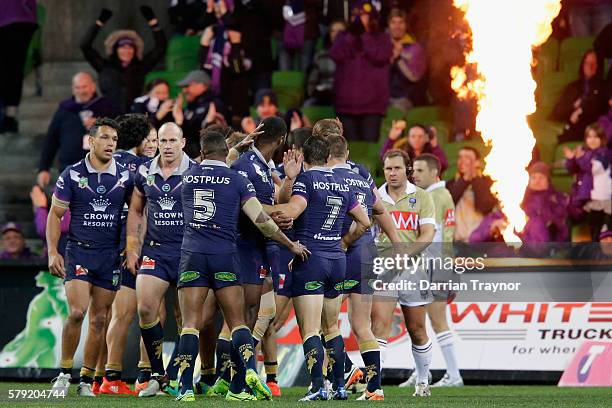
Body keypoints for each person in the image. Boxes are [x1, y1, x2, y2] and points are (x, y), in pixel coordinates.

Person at [174, 131, 309, 401]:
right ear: (225, 152)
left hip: (192, 255)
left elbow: (214, 159)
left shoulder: (187, 175)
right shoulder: (237, 180)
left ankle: (186, 388)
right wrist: (289, 244)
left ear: (201, 152)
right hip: (225, 255)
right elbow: (261, 220)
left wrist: (233, 148)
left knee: (190, 324)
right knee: (238, 323)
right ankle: (246, 375)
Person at [268, 135, 371, 401]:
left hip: (311, 259)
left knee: (311, 329)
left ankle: (317, 387)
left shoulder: (307, 180)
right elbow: (364, 222)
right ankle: (338, 387)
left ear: (304, 156)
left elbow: (292, 211)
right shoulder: (343, 182)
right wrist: (344, 242)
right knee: (332, 327)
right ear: (327, 157)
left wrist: (259, 209)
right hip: (337, 260)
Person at [48, 118, 134, 397]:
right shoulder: (72, 175)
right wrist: (52, 251)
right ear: (91, 140)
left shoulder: (124, 176)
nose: (111, 144)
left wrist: (130, 245)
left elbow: (136, 213)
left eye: (115, 140)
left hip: (110, 255)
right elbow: (55, 214)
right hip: (79, 251)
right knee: (77, 312)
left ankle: (86, 380)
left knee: (99, 319)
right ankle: (63, 373)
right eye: (106, 138)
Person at [123, 123, 195, 397]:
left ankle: (176, 376)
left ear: (183, 142)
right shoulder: (144, 171)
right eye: (162, 140)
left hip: (188, 251)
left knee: (185, 317)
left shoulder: (195, 170)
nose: (166, 145)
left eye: (171, 140)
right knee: (146, 309)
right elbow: (137, 211)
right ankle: (157, 373)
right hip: (156, 250)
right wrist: (132, 248)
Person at [327, 134, 401, 401]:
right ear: (347, 153)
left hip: (339, 250)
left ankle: (344, 373)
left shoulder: (325, 178)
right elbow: (380, 210)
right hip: (367, 253)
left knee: (326, 320)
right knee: (361, 323)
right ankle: (375, 387)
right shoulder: (362, 176)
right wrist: (397, 243)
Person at [371, 149, 436, 398]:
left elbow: (428, 234)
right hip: (383, 268)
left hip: (414, 269)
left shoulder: (421, 197)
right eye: (388, 168)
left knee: (417, 329)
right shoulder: (374, 196)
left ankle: (422, 381)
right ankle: (374, 386)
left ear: (407, 169)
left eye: (397, 168)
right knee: (380, 325)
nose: (392, 173)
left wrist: (405, 255)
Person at [96, 114, 153, 395]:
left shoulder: (106, 163)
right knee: (146, 312)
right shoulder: (144, 168)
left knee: (110, 314)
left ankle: (100, 377)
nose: (153, 146)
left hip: (107, 243)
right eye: (151, 140)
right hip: (134, 246)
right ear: (141, 140)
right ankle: (135, 376)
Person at [404, 153, 463, 388]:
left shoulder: (433, 196)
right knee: (418, 323)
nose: (414, 175)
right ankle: (423, 372)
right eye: (413, 171)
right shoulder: (442, 194)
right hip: (434, 265)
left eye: (419, 171)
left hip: (434, 266)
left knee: (437, 322)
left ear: (433, 172)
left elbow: (436, 235)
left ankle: (453, 375)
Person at [38, 72, 120, 188]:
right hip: (69, 169)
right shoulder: (64, 109)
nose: (81, 91)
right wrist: (44, 168)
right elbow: (51, 140)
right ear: (73, 89)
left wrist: (102, 124)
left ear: (93, 86)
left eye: (84, 87)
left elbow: (120, 133)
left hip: (100, 169)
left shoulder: (107, 107)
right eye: (78, 87)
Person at [80, 6, 167, 113]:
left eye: (130, 47)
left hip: (133, 115)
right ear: (116, 49)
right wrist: (99, 23)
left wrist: (153, 22)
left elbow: (161, 47)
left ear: (135, 50)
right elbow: (85, 46)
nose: (127, 50)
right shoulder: (105, 66)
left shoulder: (140, 67)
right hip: (109, 115)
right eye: (123, 47)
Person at [330, 0, 392, 142]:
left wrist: (364, 36)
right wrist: (352, 36)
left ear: (371, 17)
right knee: (350, 152)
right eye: (354, 15)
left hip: (372, 107)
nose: (357, 19)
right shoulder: (343, 37)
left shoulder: (381, 38)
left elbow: (380, 56)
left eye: (363, 15)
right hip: (346, 106)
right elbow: (335, 54)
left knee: (369, 150)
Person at [200, 6, 252, 125]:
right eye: (216, 12)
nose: (219, 16)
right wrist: (204, 46)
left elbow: (238, 69)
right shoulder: (213, 34)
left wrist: (236, 45)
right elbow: (203, 69)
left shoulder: (243, 33)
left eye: (222, 12)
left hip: (236, 95)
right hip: (216, 93)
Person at [564, 123, 611, 241]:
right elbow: (573, 169)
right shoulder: (585, 153)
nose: (592, 140)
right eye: (589, 137)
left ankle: (600, 254)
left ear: (602, 139)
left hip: (602, 200)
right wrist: (571, 159)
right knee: (588, 227)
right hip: (587, 199)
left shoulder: (604, 154)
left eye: (596, 137)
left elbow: (593, 169)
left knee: (601, 231)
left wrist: (579, 158)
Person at [553, 50, 608, 144]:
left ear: (598, 66)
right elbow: (558, 112)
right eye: (587, 63)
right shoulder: (572, 87)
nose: (590, 66)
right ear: (583, 65)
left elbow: (603, 108)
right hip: (575, 126)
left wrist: (581, 109)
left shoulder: (604, 86)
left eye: (593, 63)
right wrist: (574, 107)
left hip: (595, 125)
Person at [0, 0, 38, 133]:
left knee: (11, 70)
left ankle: (9, 116)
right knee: (13, 70)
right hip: (22, 18)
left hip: (18, 18)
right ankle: (9, 116)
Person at [446, 146, 497, 242]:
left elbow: (484, 207)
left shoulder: (490, 184)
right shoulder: (450, 184)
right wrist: (464, 180)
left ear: (477, 162)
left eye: (467, 158)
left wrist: (475, 179)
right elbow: (449, 205)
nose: (462, 161)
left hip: (483, 243)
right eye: (460, 157)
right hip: (457, 244)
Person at [173, 70, 225, 158]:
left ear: (201, 85)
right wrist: (179, 121)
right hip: (186, 156)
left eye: (188, 86)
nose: (184, 90)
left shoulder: (214, 104)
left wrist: (206, 123)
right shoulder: (189, 107)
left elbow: (214, 138)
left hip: (204, 158)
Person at [387, 8, 428, 112]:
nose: (397, 26)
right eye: (393, 22)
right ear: (389, 25)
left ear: (406, 25)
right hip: (380, 98)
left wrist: (399, 58)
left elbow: (414, 77)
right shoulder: (382, 46)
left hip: (403, 99)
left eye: (401, 23)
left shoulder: (414, 48)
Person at [304, 20, 346, 106]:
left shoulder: (353, 56)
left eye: (339, 31)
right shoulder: (321, 55)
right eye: (332, 31)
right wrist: (313, 92)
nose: (335, 34)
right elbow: (312, 80)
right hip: (323, 94)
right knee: (308, 104)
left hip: (344, 96)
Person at [380, 122, 448, 175]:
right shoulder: (404, 156)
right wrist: (391, 139)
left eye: (420, 136)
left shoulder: (431, 154)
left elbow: (443, 165)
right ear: (408, 139)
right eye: (413, 136)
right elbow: (386, 159)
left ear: (426, 138)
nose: (416, 139)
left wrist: (434, 144)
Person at [279, 0, 319, 72]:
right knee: (285, 68)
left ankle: (305, 81)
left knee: (305, 66)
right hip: (285, 32)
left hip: (307, 31)